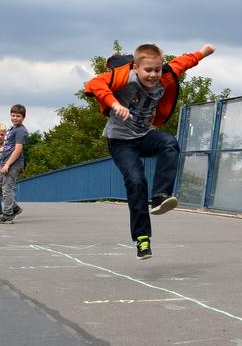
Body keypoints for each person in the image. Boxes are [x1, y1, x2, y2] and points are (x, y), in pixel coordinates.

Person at [84, 43, 215, 260]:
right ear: (136, 68)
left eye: (157, 70)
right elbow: (94, 84)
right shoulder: (125, 78)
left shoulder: (164, 75)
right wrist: (115, 104)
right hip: (120, 142)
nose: (153, 75)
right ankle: (142, 238)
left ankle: (160, 196)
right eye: (148, 71)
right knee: (136, 181)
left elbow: (182, 63)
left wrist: (203, 52)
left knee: (169, 142)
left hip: (144, 136)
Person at [0, 105, 28, 224]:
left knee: (6, 188)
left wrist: (7, 164)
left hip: (13, 164)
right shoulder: (11, 129)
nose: (15, 118)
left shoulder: (21, 131)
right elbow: (9, 146)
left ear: (23, 118)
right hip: (4, 162)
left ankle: (8, 214)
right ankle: (15, 208)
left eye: (18, 116)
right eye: (13, 115)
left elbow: (17, 150)